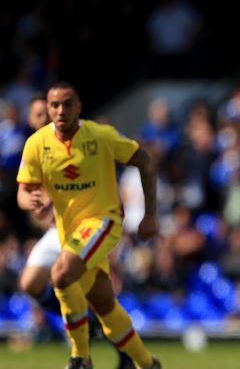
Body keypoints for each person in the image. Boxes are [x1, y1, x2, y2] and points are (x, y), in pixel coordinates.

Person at [17, 82, 161, 369]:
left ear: (79, 107)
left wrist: (150, 215)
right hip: (66, 231)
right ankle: (147, 363)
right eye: (54, 105)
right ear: (47, 109)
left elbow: (144, 161)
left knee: (60, 274)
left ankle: (80, 357)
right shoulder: (36, 144)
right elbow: (23, 190)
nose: (60, 111)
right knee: (104, 304)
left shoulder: (100, 135)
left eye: (67, 104)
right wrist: (31, 200)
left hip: (103, 221)